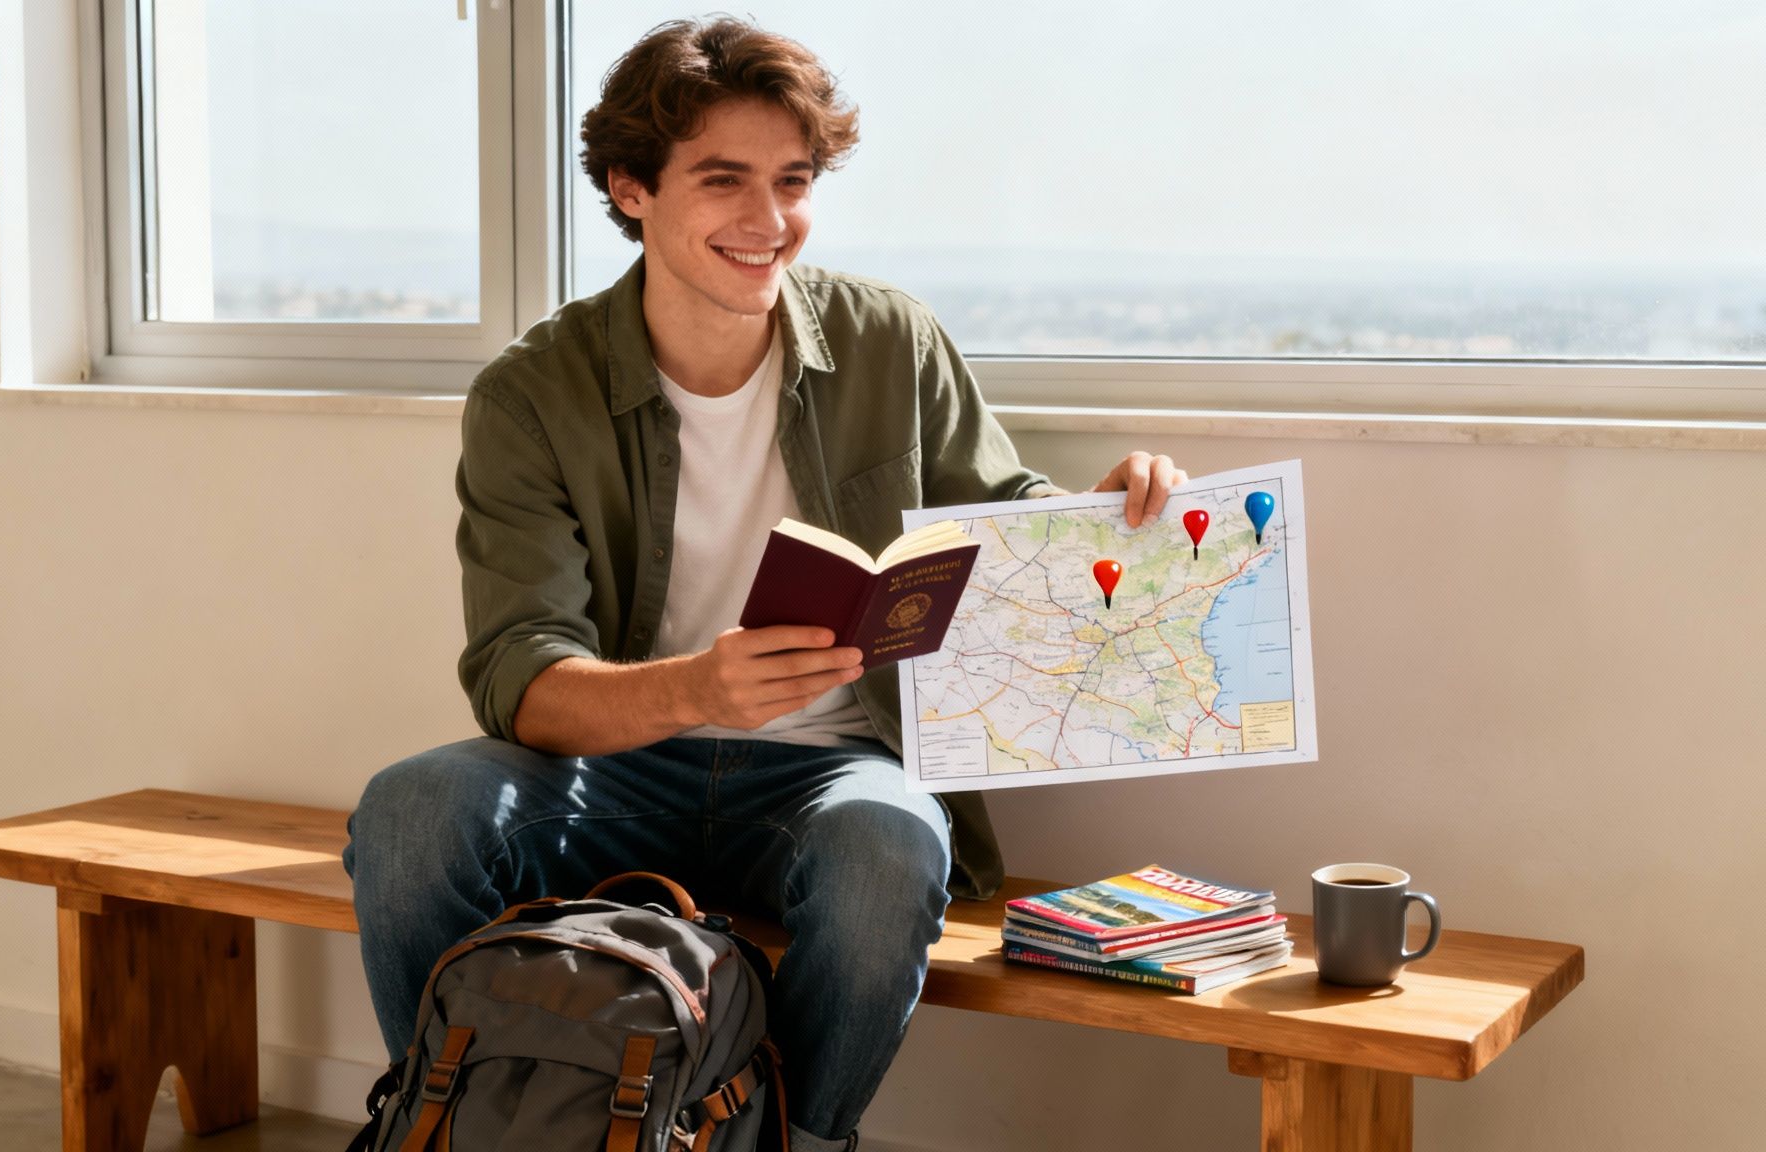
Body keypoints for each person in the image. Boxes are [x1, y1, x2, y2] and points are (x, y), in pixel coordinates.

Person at [343, 17, 1183, 1151]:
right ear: (631, 189)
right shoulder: (531, 393)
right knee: (410, 811)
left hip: (830, 780)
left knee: (892, 849)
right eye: (723, 180)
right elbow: (519, 678)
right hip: (610, 776)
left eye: (792, 181)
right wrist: (694, 691)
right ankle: (447, 1123)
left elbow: (1002, 515)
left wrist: (1114, 509)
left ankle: (789, 1141)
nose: (767, 221)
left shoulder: (890, 339)